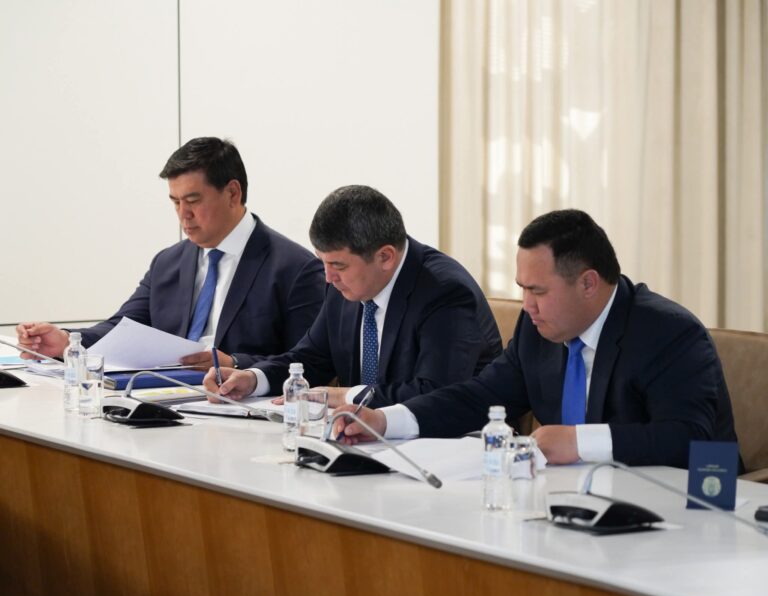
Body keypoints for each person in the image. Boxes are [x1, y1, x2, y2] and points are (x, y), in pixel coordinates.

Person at [333, 209, 740, 468]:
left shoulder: (668, 333)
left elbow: (690, 437)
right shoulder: (538, 328)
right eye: (522, 289)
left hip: (683, 513)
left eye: (538, 291)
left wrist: (579, 442)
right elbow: (479, 397)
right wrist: (386, 420)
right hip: (573, 507)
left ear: (588, 283)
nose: (527, 305)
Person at [16, 137, 325, 370]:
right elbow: (123, 326)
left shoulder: (295, 267)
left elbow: (310, 363)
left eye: (193, 200)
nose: (183, 214)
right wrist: (66, 340)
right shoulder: (168, 262)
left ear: (233, 193)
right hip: (165, 401)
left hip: (242, 411)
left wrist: (235, 363)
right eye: (175, 202)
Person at [204, 184, 503, 408]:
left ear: (385, 256)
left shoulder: (445, 292)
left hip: (450, 445)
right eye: (323, 262)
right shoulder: (344, 285)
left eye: (338, 265)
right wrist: (254, 379)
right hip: (363, 439)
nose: (328, 277)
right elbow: (310, 358)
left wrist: (345, 396)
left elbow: (435, 393)